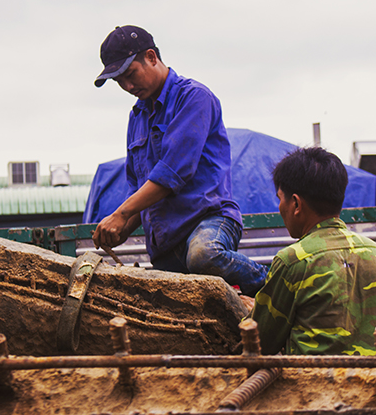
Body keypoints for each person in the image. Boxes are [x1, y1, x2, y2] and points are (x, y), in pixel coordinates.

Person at [92, 25, 267, 296]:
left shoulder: (194, 97)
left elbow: (172, 173)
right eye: (119, 82)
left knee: (204, 256)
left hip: (208, 222)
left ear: (151, 57)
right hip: (165, 242)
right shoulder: (136, 117)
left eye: (130, 74)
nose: (127, 87)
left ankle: (273, 284)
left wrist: (120, 214)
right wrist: (122, 228)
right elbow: (139, 188)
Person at [250, 146, 376, 356]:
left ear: (296, 204)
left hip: (315, 378)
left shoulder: (293, 260)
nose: (280, 206)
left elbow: (260, 342)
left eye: (280, 198)